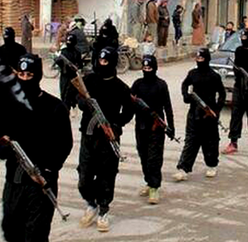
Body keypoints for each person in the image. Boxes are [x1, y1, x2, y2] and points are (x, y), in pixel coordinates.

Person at [0, 54, 73, 242]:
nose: (24, 79)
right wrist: (3, 144)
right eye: (21, 75)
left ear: (37, 76)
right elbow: (0, 150)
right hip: (14, 181)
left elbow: (65, 144)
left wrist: (47, 169)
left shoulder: (54, 107)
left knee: (35, 235)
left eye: (29, 75)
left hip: (41, 184)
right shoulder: (9, 106)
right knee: (10, 231)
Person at [78, 47, 134, 232]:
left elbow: (128, 112)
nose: (102, 64)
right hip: (88, 135)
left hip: (108, 140)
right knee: (84, 176)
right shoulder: (88, 80)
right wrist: (84, 103)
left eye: (106, 61)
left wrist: (115, 125)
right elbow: (78, 98)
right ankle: (91, 203)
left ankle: (103, 210)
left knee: (106, 176)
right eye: (101, 61)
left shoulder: (121, 87)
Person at [174, 48, 225, 181]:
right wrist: (186, 96)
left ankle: (212, 165)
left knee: (210, 142)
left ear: (207, 59)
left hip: (209, 114)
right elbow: (185, 84)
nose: (199, 61)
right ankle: (183, 169)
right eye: (198, 58)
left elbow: (222, 94)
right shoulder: (192, 73)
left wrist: (217, 110)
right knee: (191, 141)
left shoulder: (214, 76)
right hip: (194, 113)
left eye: (202, 58)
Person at [131, 55, 174, 204]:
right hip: (141, 126)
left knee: (154, 158)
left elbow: (167, 107)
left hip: (156, 127)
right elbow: (130, 102)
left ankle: (155, 187)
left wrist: (171, 126)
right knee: (143, 156)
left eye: (149, 68)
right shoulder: (137, 84)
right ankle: (149, 182)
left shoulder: (161, 85)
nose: (146, 70)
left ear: (155, 68)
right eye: (144, 68)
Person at [55, 34, 83, 111]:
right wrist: (59, 61)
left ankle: (72, 107)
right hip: (64, 76)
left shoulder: (77, 52)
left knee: (71, 94)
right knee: (63, 93)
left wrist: (75, 66)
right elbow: (58, 61)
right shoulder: (64, 51)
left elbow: (80, 65)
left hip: (73, 77)